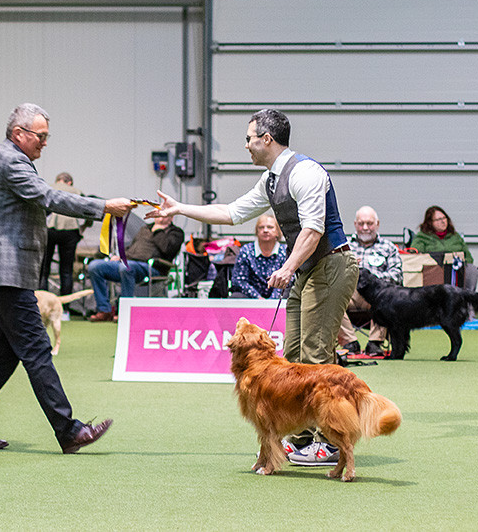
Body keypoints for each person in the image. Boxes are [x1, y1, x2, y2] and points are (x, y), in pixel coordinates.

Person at [147, 108, 357, 467]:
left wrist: (288, 266)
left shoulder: (305, 172)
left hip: (331, 264)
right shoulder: (271, 180)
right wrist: (179, 208)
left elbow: (314, 228)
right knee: (290, 356)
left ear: (267, 139)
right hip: (306, 268)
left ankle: (331, 442)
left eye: (248, 138)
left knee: (315, 352)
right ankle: (302, 434)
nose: (245, 145)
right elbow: (232, 212)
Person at [0, 102, 135, 454]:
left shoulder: (11, 159)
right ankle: (69, 430)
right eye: (41, 136)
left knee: (4, 355)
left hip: (1, 271)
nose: (45, 142)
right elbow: (48, 197)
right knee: (36, 349)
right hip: (4, 272)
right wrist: (102, 207)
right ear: (19, 134)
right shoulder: (11, 161)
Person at [86, 214, 184, 321]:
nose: (160, 218)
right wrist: (120, 256)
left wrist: (158, 231)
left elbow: (167, 249)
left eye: (163, 216)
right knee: (95, 266)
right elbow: (133, 247)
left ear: (171, 218)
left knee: (126, 267)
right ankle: (104, 310)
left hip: (153, 267)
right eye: (158, 215)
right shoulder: (145, 228)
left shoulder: (176, 233)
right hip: (128, 263)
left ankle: (125, 311)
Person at [338, 205, 402, 357]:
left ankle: (375, 343)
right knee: (330, 300)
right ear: (355, 224)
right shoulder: (344, 246)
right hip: (350, 293)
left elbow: (397, 276)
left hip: (376, 295)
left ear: (377, 224)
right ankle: (349, 342)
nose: (365, 228)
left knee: (386, 298)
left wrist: (371, 279)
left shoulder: (388, 247)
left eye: (369, 223)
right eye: (361, 224)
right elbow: (334, 274)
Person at [39, 172, 86, 295]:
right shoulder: (76, 191)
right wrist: (83, 227)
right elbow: (88, 209)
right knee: (66, 271)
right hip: (70, 232)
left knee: (44, 269)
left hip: (50, 230)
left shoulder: (48, 187)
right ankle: (65, 310)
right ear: (70, 182)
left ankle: (43, 304)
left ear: (57, 180)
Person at [230, 212, 287, 299]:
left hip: (278, 297)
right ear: (257, 231)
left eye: (270, 227)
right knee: (235, 296)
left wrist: (272, 300)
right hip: (251, 297)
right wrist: (258, 298)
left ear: (278, 232)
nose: (265, 230)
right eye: (261, 227)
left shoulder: (285, 251)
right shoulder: (246, 251)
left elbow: (288, 280)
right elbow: (239, 280)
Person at [407, 205, 474, 263]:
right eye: (438, 219)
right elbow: (414, 257)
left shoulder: (456, 236)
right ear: (430, 222)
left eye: (444, 218)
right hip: (432, 271)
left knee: (472, 271)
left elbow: (469, 258)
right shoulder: (421, 237)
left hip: (457, 271)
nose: (443, 221)